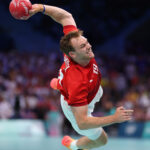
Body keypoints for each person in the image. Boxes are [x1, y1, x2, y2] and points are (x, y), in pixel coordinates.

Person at [26, 3, 134, 150]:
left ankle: (60, 83)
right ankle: (73, 145)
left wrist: (40, 8)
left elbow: (65, 16)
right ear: (73, 54)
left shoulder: (74, 43)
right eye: (83, 47)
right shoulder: (77, 82)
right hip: (77, 107)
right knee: (102, 140)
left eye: (86, 42)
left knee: (98, 91)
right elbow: (83, 122)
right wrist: (114, 119)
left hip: (91, 87)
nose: (89, 46)